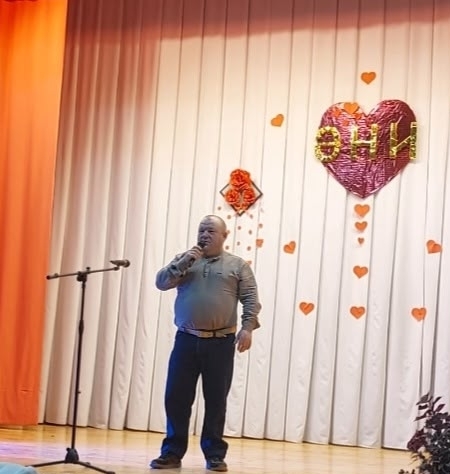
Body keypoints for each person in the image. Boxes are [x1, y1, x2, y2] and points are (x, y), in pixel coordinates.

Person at [150, 215, 261, 472]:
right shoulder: (185, 260)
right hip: (186, 340)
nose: (205, 235)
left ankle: (214, 454)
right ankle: (171, 453)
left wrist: (247, 328)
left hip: (220, 343)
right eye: (202, 230)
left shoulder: (237, 265)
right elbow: (161, 283)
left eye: (211, 231)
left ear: (224, 236)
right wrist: (184, 261)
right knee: (176, 397)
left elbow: (250, 298)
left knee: (216, 400)